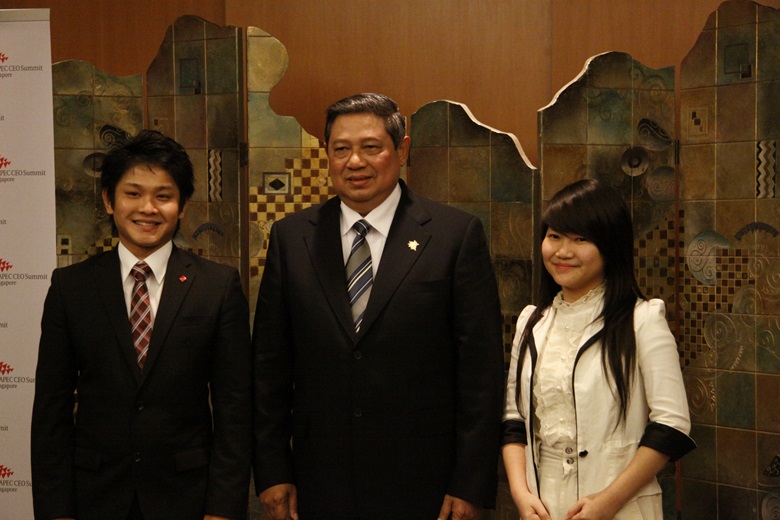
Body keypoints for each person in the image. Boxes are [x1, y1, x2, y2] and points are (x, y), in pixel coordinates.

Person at [252, 93, 505, 520]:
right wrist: (273, 470)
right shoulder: (291, 239)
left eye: (371, 147)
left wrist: (470, 483)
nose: (355, 162)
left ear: (401, 150)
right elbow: (269, 366)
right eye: (341, 149)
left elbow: (481, 371)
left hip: (425, 480)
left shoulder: (453, 236)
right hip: (318, 479)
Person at [31, 129, 252, 520]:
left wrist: (222, 509)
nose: (147, 208)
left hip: (187, 496)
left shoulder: (217, 286)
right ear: (108, 200)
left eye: (163, 196)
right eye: (133, 193)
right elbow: (52, 411)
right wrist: (56, 510)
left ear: (182, 206)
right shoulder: (72, 287)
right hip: (95, 496)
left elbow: (234, 410)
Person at [501, 179, 696, 520]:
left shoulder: (643, 319)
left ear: (610, 246)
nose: (563, 251)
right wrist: (520, 493)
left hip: (621, 505)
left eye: (581, 239)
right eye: (554, 236)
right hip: (542, 505)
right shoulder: (532, 322)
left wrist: (607, 501)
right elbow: (514, 420)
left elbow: (671, 426)